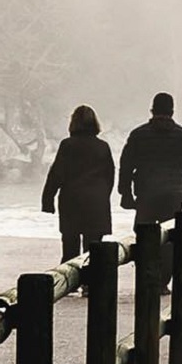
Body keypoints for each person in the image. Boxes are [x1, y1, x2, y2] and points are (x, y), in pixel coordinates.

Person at [117, 92, 182, 280]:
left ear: (152, 109)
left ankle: (146, 272)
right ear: (172, 110)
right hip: (173, 194)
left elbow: (127, 165)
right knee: (170, 237)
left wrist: (125, 192)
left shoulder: (138, 134)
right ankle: (163, 279)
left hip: (146, 193)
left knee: (143, 234)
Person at [41, 104, 115, 263]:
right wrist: (102, 195)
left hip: (72, 201)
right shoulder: (103, 146)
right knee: (93, 250)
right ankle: (91, 284)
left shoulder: (68, 145)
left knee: (70, 250)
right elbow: (110, 176)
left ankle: (70, 284)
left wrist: (47, 200)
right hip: (96, 202)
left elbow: (56, 174)